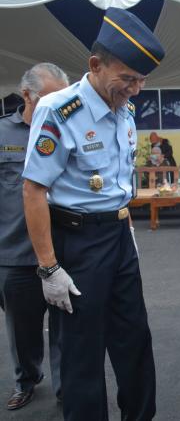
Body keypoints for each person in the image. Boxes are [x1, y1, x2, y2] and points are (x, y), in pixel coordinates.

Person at [22, 7, 164, 420]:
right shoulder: (58, 111)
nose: (135, 90)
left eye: (141, 80)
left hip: (119, 237)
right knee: (83, 351)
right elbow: (33, 191)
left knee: (134, 340)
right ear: (95, 65)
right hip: (78, 242)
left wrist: (125, 225)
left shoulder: (125, 109)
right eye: (128, 79)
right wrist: (48, 269)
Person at [0, 63, 67, 411]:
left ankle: (65, 388)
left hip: (62, 253)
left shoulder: (65, 131)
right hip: (15, 254)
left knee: (64, 327)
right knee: (22, 330)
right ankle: (26, 378)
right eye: (49, 98)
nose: (58, 105)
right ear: (27, 95)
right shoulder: (2, 134)